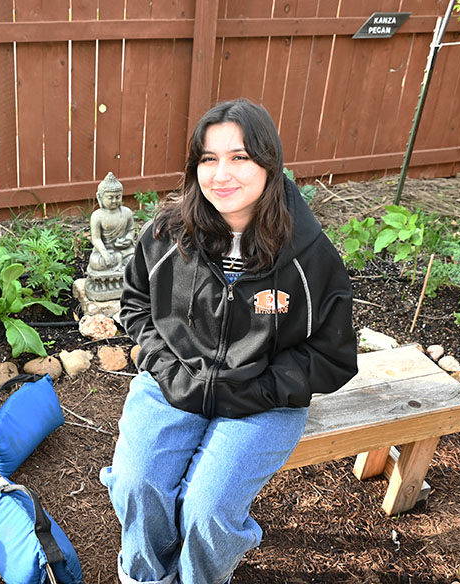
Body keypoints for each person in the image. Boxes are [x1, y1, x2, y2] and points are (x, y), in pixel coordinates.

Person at [100, 99, 358, 584]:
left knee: (206, 509)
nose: (222, 174)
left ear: (269, 163)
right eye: (208, 159)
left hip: (264, 398)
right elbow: (135, 304)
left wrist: (259, 389)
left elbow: (332, 354)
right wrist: (166, 369)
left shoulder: (311, 256)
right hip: (173, 381)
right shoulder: (167, 235)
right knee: (136, 485)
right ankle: (145, 577)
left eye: (239, 157)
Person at [88, 171, 136, 272]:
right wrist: (105, 254)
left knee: (135, 258)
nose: (114, 201)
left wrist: (127, 240)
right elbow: (96, 239)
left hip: (124, 251)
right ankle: (122, 270)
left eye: (118, 197)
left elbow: (131, 230)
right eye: (110, 198)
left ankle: (122, 269)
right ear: (100, 197)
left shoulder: (127, 212)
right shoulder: (97, 216)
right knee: (96, 262)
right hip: (104, 251)